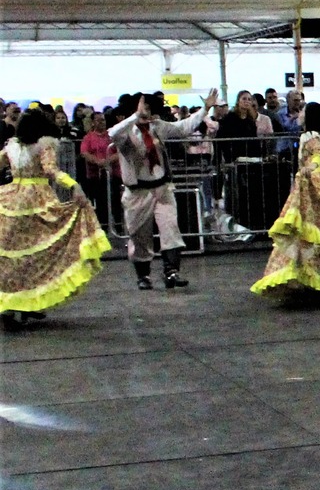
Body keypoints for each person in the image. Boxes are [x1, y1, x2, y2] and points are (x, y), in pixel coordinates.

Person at [0, 107, 110, 326]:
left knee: (12, 257)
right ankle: (29, 302)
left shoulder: (11, 147)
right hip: (37, 200)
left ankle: (13, 305)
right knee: (39, 254)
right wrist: (73, 185)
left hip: (11, 201)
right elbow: (51, 170)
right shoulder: (45, 146)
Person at [108, 89, 215, 289]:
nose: (145, 112)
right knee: (140, 236)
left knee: (170, 229)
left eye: (148, 108)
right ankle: (143, 276)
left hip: (162, 188)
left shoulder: (157, 127)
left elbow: (182, 127)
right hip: (137, 193)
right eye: (142, 108)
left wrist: (205, 109)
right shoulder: (125, 133)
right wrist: (135, 116)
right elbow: (112, 133)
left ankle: (171, 272)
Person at [252, 103, 320, 297]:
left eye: (303, 111)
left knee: (306, 231)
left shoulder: (309, 136)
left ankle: (307, 277)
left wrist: (310, 168)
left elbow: (317, 155)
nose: (299, 114)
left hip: (314, 188)